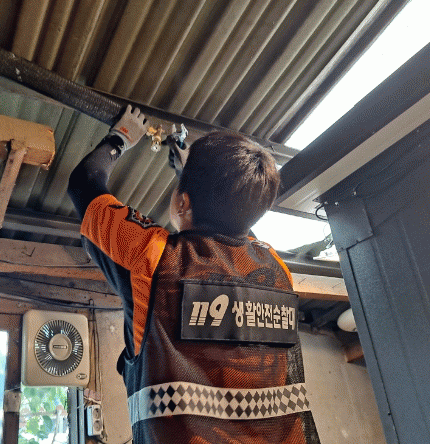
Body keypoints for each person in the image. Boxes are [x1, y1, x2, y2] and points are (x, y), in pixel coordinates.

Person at [68, 105, 320, 444]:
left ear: (182, 203)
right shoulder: (276, 269)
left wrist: (121, 137)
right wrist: (193, 178)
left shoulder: (155, 257)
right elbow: (236, 219)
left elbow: (85, 184)